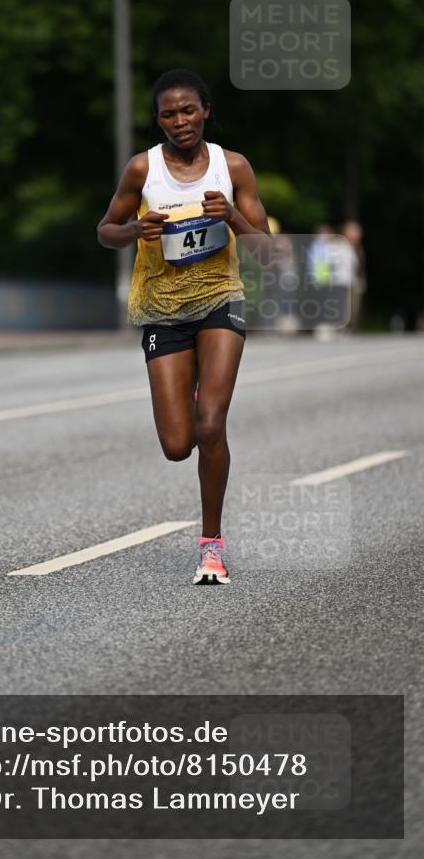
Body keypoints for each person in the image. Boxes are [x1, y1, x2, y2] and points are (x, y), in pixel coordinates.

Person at [97, 69, 271, 585]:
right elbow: (105, 230)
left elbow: (268, 251)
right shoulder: (142, 170)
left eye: (189, 110)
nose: (180, 121)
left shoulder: (232, 166)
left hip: (220, 301)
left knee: (210, 424)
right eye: (169, 114)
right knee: (178, 444)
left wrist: (235, 218)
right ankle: (193, 389)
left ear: (206, 111)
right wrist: (134, 229)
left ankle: (211, 547)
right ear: (158, 120)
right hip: (162, 309)